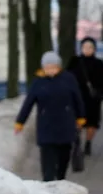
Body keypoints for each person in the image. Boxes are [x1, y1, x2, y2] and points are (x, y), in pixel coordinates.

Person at [16, 51, 86, 181]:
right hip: (46, 127)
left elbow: (77, 98)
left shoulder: (68, 78)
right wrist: (20, 122)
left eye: (53, 67)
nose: (51, 70)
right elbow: (28, 103)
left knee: (63, 160)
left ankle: (60, 181)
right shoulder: (38, 82)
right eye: (47, 67)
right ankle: (48, 186)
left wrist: (80, 117)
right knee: (48, 165)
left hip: (66, 125)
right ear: (43, 67)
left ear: (59, 66)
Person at [67, 37, 103, 155]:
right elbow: (67, 78)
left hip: (93, 98)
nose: (87, 49)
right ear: (81, 48)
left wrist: (99, 93)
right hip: (77, 97)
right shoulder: (75, 62)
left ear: (94, 49)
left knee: (92, 123)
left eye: (90, 47)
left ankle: (88, 143)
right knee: (77, 121)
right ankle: (77, 142)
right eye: (85, 47)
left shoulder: (99, 64)